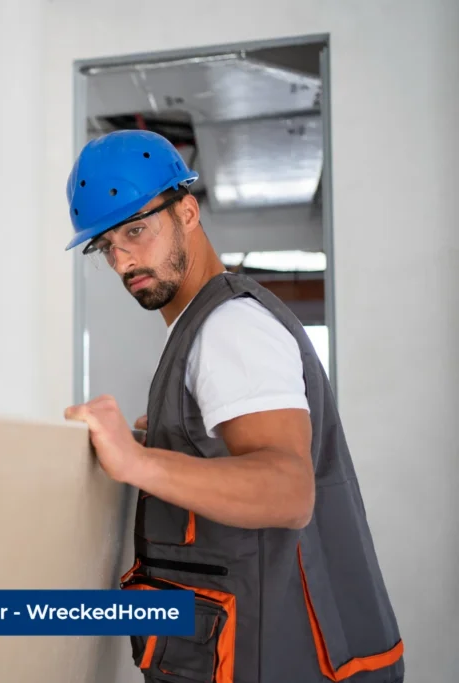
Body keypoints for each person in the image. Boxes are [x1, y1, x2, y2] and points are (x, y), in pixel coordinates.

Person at [61, 130, 404, 683]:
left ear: (188, 212)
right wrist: (169, 448)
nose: (124, 261)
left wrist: (137, 461)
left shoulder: (229, 328)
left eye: (136, 230)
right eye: (107, 247)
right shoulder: (211, 323)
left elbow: (288, 491)